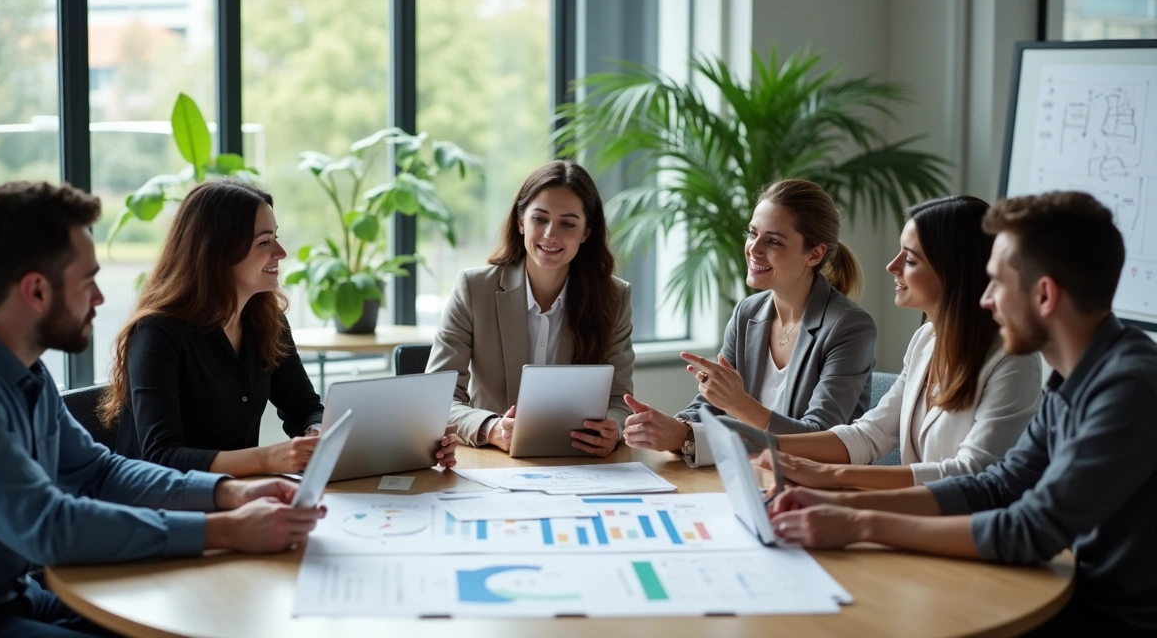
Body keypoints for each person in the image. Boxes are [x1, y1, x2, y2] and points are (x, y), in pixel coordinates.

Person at [0, 181, 326, 637]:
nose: (101, 299)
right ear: (37, 291)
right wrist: (226, 531)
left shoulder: (24, 370)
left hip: (18, 594)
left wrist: (231, 494)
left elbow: (99, 473)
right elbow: (50, 526)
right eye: (88, 281)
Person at [769, 191, 1157, 635]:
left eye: (996, 283)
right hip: (1060, 593)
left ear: (1045, 295)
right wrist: (834, 501)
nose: (985, 298)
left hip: (1104, 616)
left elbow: (1030, 528)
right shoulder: (1077, 377)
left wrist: (859, 521)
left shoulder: (1128, 387)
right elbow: (997, 485)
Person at [101, 180, 460, 476]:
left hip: (233, 499)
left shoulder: (265, 320)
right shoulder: (157, 333)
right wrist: (271, 458)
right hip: (159, 513)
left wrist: (317, 432)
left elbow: (304, 406)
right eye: (265, 242)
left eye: (276, 236)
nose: (282, 252)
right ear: (218, 252)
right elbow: (160, 458)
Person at [760, 196, 1042, 489]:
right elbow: (870, 434)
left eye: (909, 259)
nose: (892, 266)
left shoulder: (1013, 360)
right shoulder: (925, 340)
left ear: (954, 271)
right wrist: (768, 447)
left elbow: (970, 473)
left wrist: (831, 474)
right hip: (920, 518)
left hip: (966, 527)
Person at [623, 179, 877, 466]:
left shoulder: (849, 327)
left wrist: (738, 404)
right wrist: (675, 428)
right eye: (753, 233)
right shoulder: (748, 313)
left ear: (815, 254)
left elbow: (819, 437)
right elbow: (711, 405)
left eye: (773, 241)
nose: (753, 249)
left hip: (821, 490)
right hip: (753, 477)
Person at [426, 160, 634, 457]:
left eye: (568, 223)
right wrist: (491, 428)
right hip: (491, 462)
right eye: (540, 219)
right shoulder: (474, 289)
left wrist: (612, 429)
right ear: (521, 221)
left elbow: (620, 399)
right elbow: (438, 399)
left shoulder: (614, 297)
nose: (551, 234)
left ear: (586, 232)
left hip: (577, 463)